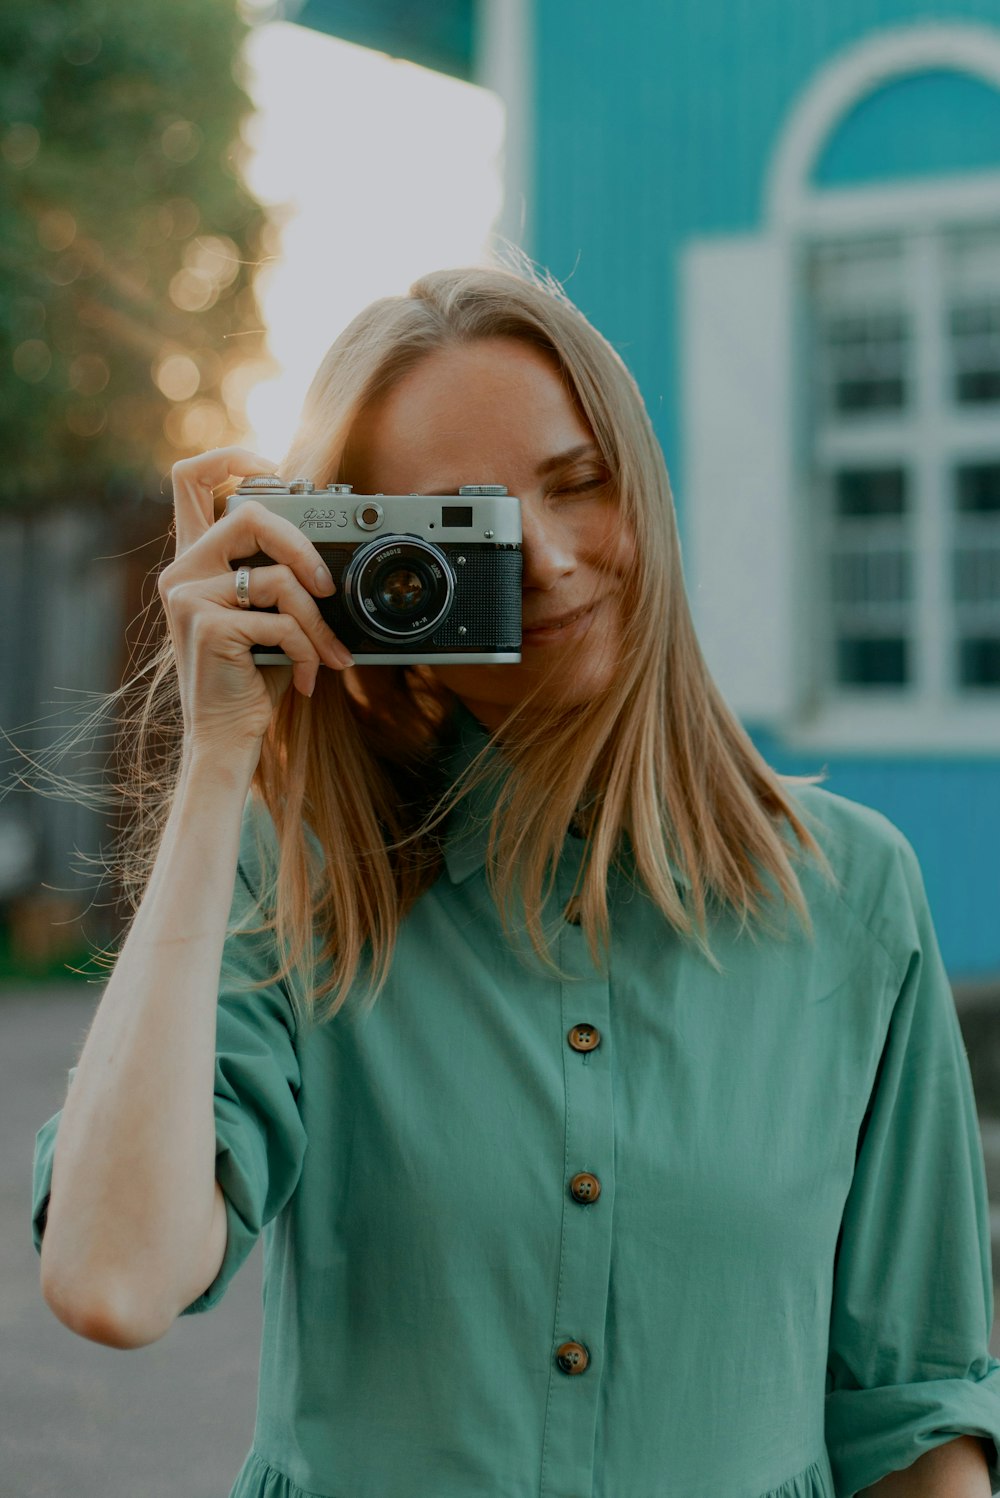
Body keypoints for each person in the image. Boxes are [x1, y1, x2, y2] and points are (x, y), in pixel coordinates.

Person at [31, 262, 1000, 1498]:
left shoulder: (853, 893)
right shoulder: (303, 870)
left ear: (640, 487)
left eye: (577, 483)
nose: (542, 557)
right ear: (362, 568)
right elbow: (112, 1277)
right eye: (465, 527)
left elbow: (915, 1412)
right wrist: (222, 759)